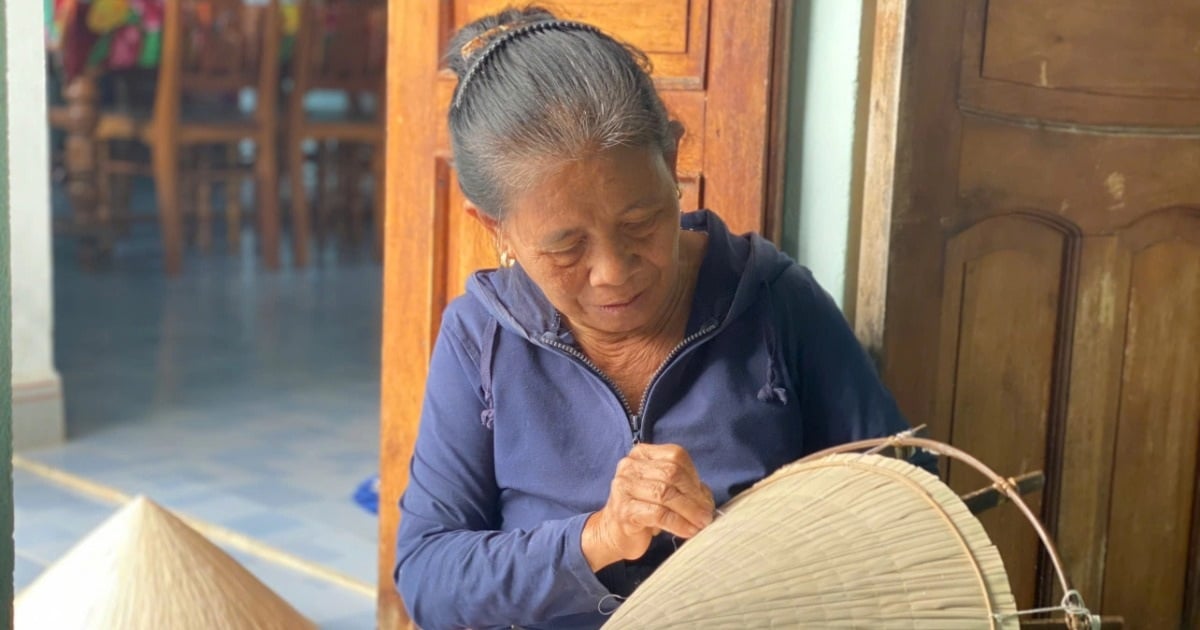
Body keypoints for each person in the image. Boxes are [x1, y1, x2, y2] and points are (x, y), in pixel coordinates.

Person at [395, 7, 927, 629]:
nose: (612, 272)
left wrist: (730, 536)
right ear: (496, 227)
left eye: (641, 222)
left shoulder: (778, 305)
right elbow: (429, 575)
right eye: (566, 247)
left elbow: (906, 512)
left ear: (671, 160)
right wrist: (597, 539)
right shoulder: (478, 338)